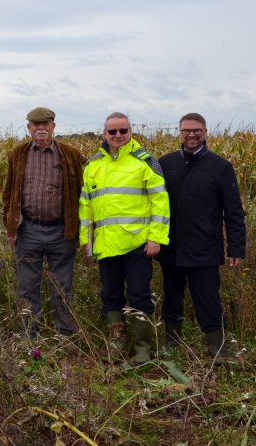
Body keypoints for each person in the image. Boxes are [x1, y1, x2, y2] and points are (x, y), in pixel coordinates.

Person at [79, 112, 170, 364]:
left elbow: (160, 202)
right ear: (104, 134)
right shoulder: (94, 165)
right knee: (110, 295)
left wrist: (156, 237)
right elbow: (85, 206)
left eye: (123, 131)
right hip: (107, 244)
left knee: (139, 295)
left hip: (138, 244)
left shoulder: (144, 161)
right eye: (112, 132)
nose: (118, 136)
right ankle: (116, 345)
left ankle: (142, 351)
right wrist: (87, 241)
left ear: (130, 132)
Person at [157, 113, 246, 360]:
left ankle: (216, 348)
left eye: (196, 130)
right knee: (172, 299)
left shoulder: (220, 167)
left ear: (205, 132)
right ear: (179, 133)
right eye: (186, 130)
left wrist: (236, 248)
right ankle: (171, 343)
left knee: (208, 300)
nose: (191, 135)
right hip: (171, 247)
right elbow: (153, 205)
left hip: (204, 249)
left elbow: (234, 211)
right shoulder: (166, 163)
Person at [2, 107, 84, 338]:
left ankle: (64, 334)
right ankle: (30, 334)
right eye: (35, 125)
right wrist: (10, 226)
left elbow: (80, 192)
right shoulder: (18, 154)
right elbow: (8, 193)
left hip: (61, 230)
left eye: (45, 124)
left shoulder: (70, 154)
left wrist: (79, 229)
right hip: (28, 230)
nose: (40, 129)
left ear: (53, 127)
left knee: (62, 287)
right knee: (28, 287)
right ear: (28, 128)